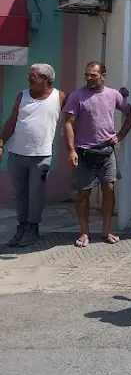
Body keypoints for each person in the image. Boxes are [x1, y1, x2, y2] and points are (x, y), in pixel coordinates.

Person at [63, 62, 131, 247]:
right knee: (83, 193)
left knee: (109, 189)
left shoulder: (113, 95)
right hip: (84, 151)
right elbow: (68, 123)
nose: (89, 78)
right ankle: (84, 232)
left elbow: (130, 115)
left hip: (106, 151)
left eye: (93, 75)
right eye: (86, 74)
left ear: (103, 75)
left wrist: (120, 135)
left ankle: (107, 229)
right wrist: (71, 150)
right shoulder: (77, 96)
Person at [0, 64, 65, 247]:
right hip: (17, 154)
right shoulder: (22, 96)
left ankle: (32, 227)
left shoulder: (59, 97)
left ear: (46, 79)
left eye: (33, 75)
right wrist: (1, 142)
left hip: (41, 156)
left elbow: (73, 117)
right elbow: (12, 121)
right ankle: (22, 226)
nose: (29, 78)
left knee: (36, 193)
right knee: (20, 193)